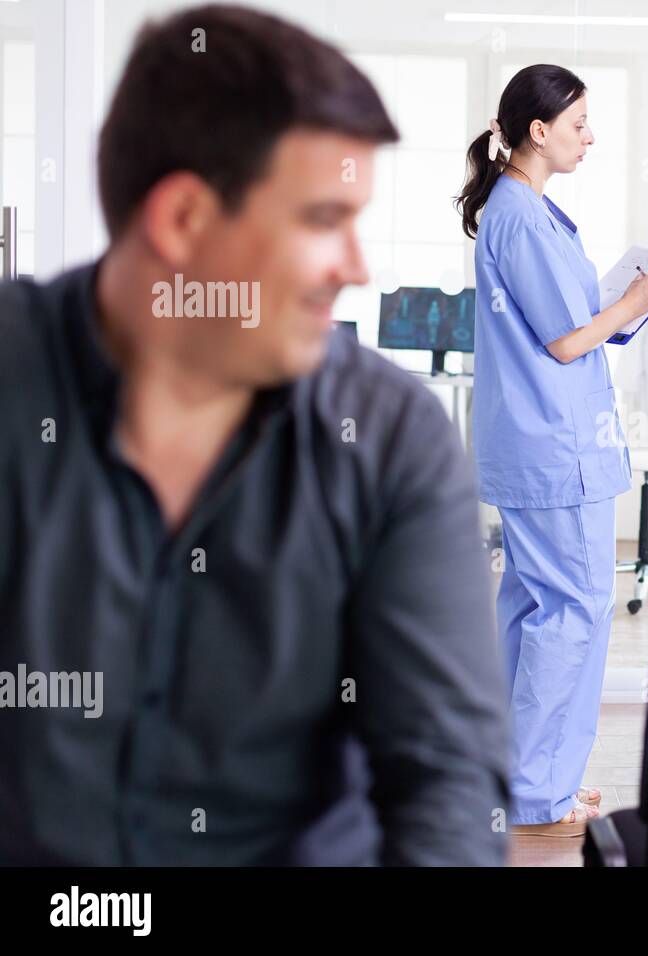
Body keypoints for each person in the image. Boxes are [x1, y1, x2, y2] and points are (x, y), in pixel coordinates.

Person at [0, 4, 511, 866]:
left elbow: (447, 783)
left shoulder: (388, 441)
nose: (358, 266)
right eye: (322, 218)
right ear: (183, 222)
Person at [456, 65, 648, 837]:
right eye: (580, 124)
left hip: (546, 448)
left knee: (531, 609)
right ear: (538, 131)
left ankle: (522, 779)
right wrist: (634, 299)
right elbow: (566, 340)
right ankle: (537, 793)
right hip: (555, 453)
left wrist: (640, 299)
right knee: (572, 614)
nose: (591, 137)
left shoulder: (528, 214)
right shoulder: (519, 217)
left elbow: (587, 318)